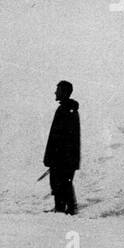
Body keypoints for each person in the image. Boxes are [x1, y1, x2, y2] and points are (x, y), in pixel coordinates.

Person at [43, 80, 81, 214]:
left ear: (64, 92)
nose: (55, 92)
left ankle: (68, 209)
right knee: (60, 182)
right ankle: (63, 208)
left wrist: (56, 157)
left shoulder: (67, 110)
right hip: (63, 157)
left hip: (64, 158)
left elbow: (64, 139)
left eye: (58, 89)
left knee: (63, 183)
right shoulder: (65, 109)